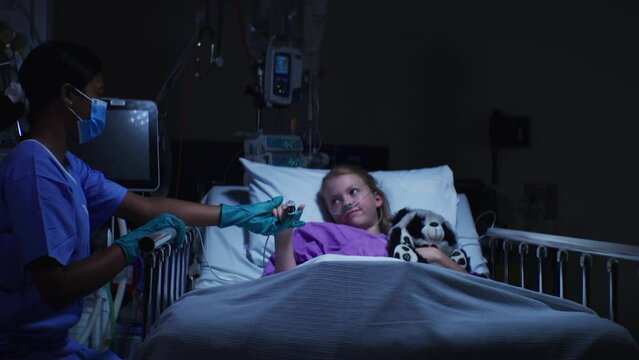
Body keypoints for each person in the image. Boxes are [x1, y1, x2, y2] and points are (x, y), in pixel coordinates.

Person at [0, 40, 301, 359]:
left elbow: (147, 207)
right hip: (22, 349)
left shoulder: (68, 166)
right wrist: (136, 245)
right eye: (98, 96)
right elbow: (55, 287)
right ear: (68, 95)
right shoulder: (32, 168)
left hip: (53, 345)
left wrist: (237, 215)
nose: (101, 107)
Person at [263, 164, 466, 276]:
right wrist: (283, 237)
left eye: (353, 192)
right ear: (330, 211)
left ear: (377, 198)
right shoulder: (317, 234)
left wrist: (437, 256)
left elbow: (472, 286)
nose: (347, 202)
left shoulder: (411, 240)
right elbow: (284, 290)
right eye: (335, 200)